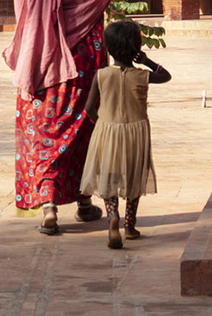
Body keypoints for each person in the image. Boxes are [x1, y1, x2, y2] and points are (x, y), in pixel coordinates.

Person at [3, 0, 136, 235]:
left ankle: (48, 206)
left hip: (41, 68)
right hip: (80, 68)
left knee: (43, 134)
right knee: (83, 131)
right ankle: (84, 202)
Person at [79, 19, 171, 249]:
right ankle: (130, 225)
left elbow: (89, 108)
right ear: (137, 48)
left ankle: (112, 217)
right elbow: (165, 75)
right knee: (133, 177)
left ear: (108, 48)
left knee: (109, 176)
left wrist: (100, 123)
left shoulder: (101, 75)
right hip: (136, 133)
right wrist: (147, 60)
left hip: (107, 131)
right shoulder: (142, 75)